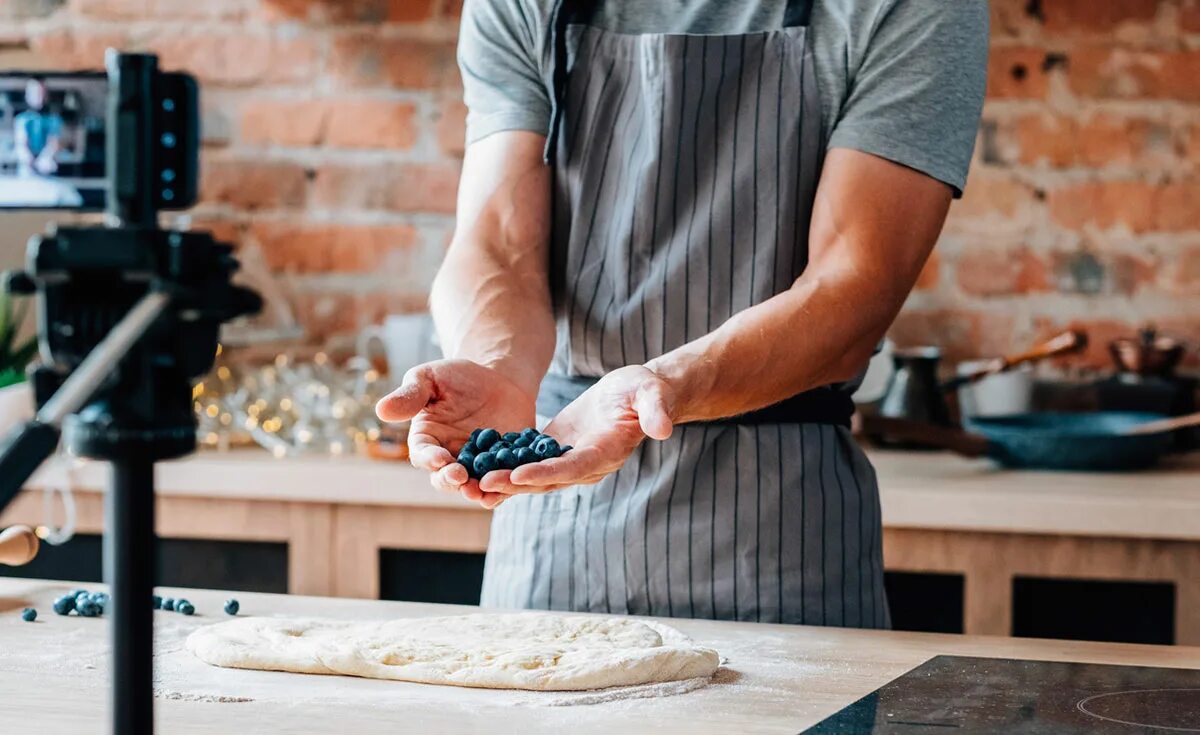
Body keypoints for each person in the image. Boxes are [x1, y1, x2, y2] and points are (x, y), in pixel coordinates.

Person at [378, 0, 988, 627]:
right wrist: (497, 366)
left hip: (784, 541)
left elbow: (855, 287)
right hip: (552, 510)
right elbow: (497, 243)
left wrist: (664, 386)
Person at [14, 78, 63, 177]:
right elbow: (21, 143)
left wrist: (45, 158)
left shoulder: (54, 119)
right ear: (27, 96)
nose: (39, 97)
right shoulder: (21, 119)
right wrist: (29, 160)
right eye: (35, 93)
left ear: (46, 95)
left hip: (47, 165)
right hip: (26, 168)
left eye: (41, 93)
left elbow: (53, 143)